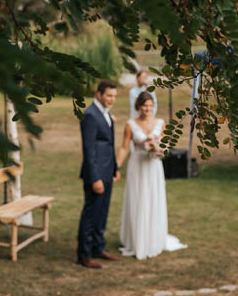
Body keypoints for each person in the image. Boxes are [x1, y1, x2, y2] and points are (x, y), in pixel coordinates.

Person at [117, 91, 187, 260]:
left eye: (150, 106)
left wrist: (161, 149)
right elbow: (124, 147)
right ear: (138, 106)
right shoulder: (130, 124)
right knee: (138, 199)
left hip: (154, 166)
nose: (147, 109)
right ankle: (136, 240)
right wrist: (116, 166)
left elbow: (165, 142)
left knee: (153, 199)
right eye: (144, 106)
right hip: (137, 166)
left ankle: (153, 238)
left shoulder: (160, 123)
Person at [77, 80, 121, 268]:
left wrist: (115, 168)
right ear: (99, 94)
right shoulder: (90, 115)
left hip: (107, 171)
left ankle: (98, 247)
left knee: (102, 213)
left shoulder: (105, 114)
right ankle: (84, 255)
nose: (112, 99)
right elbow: (89, 150)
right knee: (91, 214)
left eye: (114, 96)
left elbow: (108, 144)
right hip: (95, 174)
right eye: (109, 95)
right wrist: (95, 178)